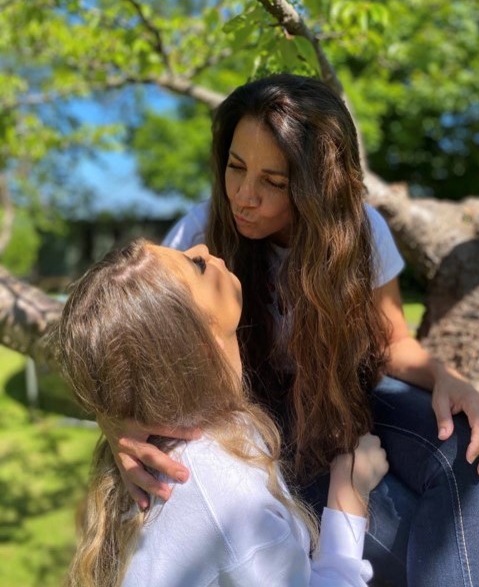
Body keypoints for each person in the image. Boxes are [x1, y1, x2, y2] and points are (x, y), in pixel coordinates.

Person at [107, 75, 479, 586]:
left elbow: (390, 341)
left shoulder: (361, 231)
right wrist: (116, 421)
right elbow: (131, 333)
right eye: (235, 167)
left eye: (274, 181)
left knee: (470, 453)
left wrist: (447, 377)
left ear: (319, 183)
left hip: (350, 394)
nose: (245, 196)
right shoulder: (199, 239)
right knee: (402, 542)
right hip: (265, 422)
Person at [54, 238, 389, 587]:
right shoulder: (225, 495)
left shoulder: (175, 444)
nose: (201, 247)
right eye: (195, 265)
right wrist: (348, 496)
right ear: (198, 342)